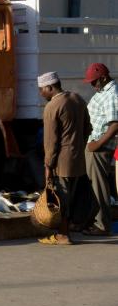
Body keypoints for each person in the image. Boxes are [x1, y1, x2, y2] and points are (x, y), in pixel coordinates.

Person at [36, 72, 92, 245]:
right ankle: (67, 230)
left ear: (50, 87)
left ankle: (63, 234)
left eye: (42, 90)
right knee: (73, 196)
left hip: (62, 160)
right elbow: (88, 128)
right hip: (78, 158)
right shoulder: (78, 99)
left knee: (62, 198)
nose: (41, 94)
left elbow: (51, 141)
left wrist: (48, 165)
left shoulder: (53, 107)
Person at [82, 63, 118, 236]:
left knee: (98, 186)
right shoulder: (103, 92)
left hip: (99, 148)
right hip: (94, 144)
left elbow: (115, 124)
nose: (92, 85)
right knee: (92, 185)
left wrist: (97, 144)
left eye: (94, 82)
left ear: (103, 78)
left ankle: (102, 225)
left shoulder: (112, 94)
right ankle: (93, 221)